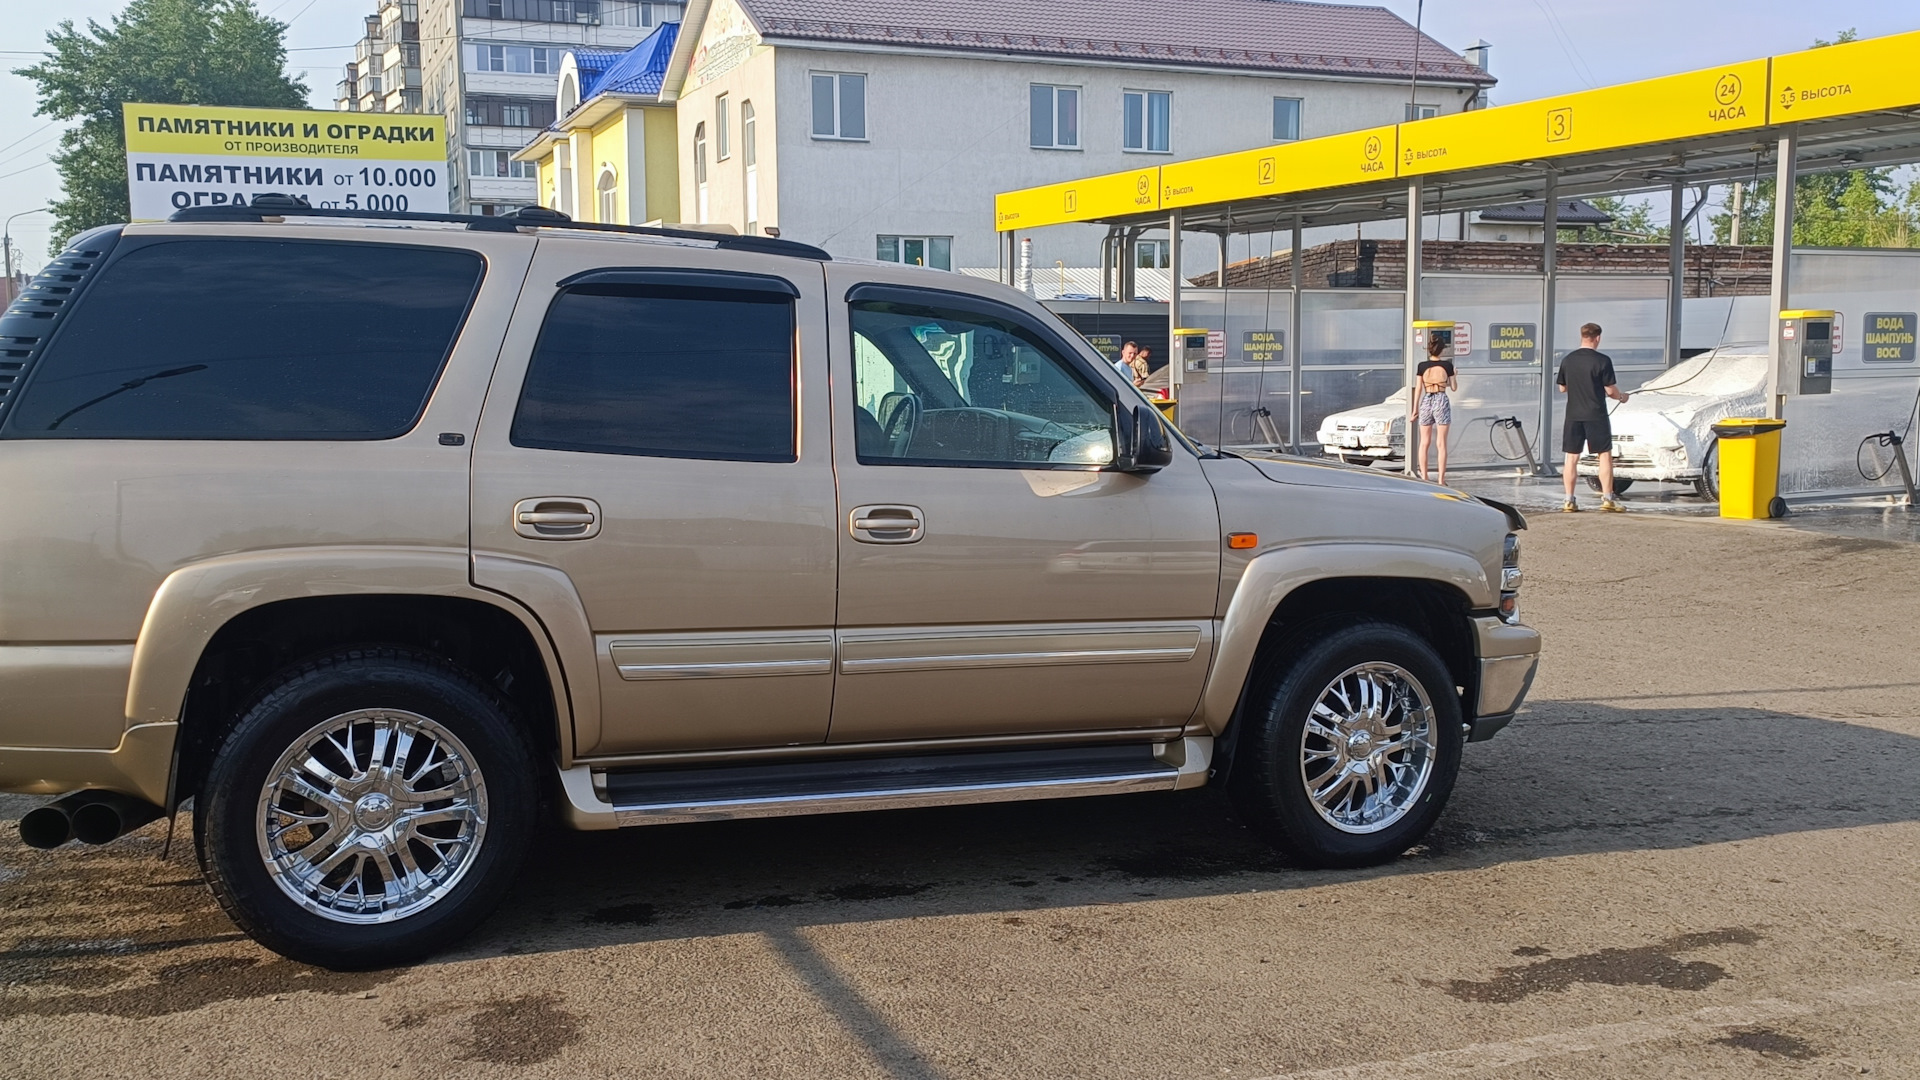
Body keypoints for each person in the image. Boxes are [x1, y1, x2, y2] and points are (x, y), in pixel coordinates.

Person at [1557, 322, 1630, 512]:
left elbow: (1562, 388)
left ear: (1582, 336)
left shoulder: (1568, 360)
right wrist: (1622, 397)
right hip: (1596, 414)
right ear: (1597, 338)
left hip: (1573, 415)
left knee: (1571, 457)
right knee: (1604, 455)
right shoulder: (1602, 361)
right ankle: (1607, 499)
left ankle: (1569, 500)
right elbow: (1611, 391)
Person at [1410, 336, 1457, 485]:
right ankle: (1441, 480)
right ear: (1442, 350)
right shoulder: (1447, 366)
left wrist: (1415, 410)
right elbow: (1454, 387)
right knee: (1441, 443)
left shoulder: (1422, 366)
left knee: (1424, 442)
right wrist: (1454, 375)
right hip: (1441, 399)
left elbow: (1418, 389)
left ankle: (1424, 477)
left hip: (1427, 399)